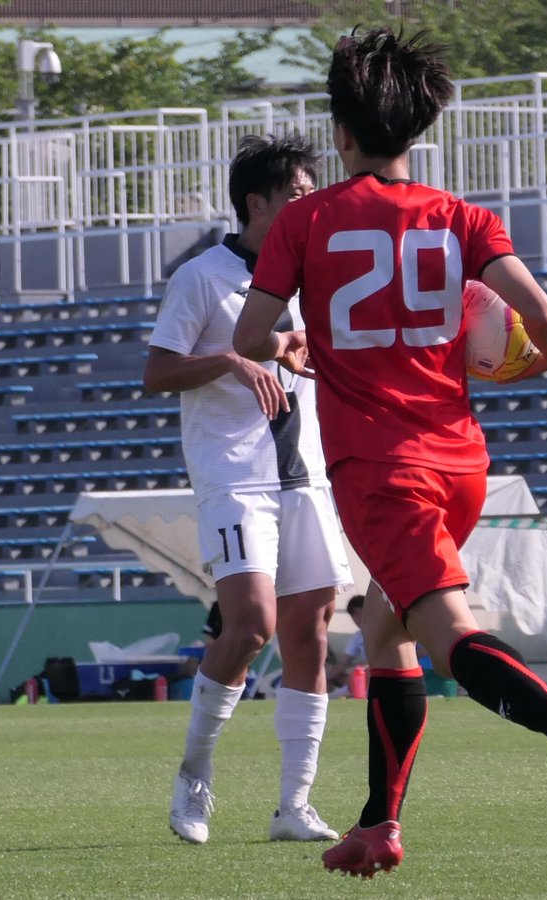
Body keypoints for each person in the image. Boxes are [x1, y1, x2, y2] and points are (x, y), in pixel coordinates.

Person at [232, 27, 547, 878]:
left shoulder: (304, 220)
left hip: (380, 469)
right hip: (459, 462)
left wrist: (292, 347)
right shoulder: (464, 218)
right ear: (417, 131)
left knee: (445, 631)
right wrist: (531, 357)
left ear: (341, 131)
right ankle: (378, 823)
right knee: (385, 627)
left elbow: (249, 333)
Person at [143, 133, 353, 846]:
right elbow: (158, 372)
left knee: (311, 633)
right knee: (250, 625)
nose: (310, 208)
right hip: (236, 475)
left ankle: (294, 804)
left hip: (306, 475)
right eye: (297, 197)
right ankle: (194, 775)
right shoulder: (201, 276)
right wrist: (233, 357)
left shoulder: (315, 277)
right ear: (255, 204)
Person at [326, 593, 367, 697]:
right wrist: (326, 678)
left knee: (359, 673)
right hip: (360, 673)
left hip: (378, 671)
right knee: (338, 676)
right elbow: (344, 662)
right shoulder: (357, 637)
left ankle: (345, 692)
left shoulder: (383, 631)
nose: (357, 618)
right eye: (354, 616)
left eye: (359, 613)